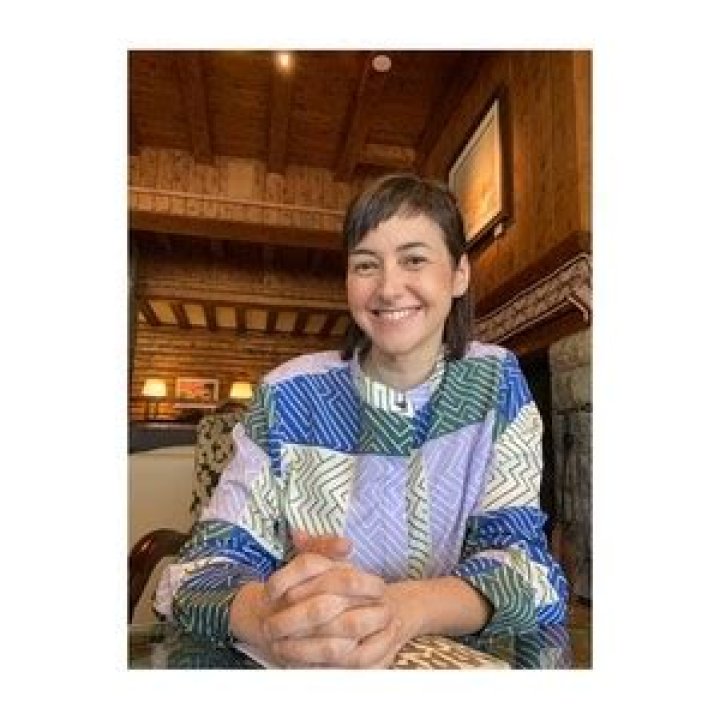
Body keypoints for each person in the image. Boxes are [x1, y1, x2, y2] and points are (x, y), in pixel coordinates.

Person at [154, 173, 568, 668]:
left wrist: (405, 609)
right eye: (366, 264)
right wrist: (265, 615)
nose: (388, 288)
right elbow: (196, 573)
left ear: (459, 273)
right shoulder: (286, 394)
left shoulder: (496, 381)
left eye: (414, 259)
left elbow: (529, 572)